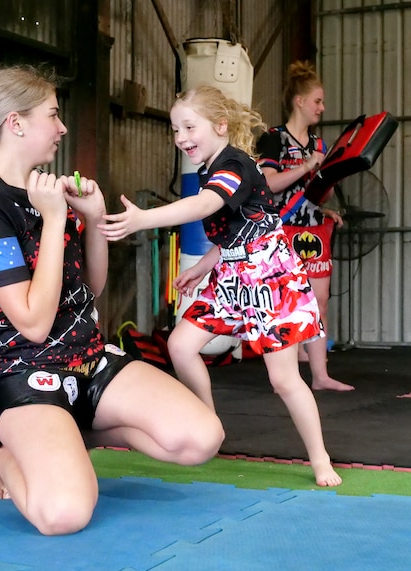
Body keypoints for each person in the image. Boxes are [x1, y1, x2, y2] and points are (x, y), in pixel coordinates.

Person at [0, 65, 224, 536]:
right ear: (16, 123)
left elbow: (86, 290)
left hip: (87, 360)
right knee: (63, 515)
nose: (62, 126)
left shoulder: (44, 189)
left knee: (202, 438)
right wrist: (54, 222)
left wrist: (91, 220)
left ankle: (65, 437)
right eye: (53, 115)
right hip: (25, 372)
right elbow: (31, 323)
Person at [98, 85, 342, 487]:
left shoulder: (234, 165)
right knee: (179, 345)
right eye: (176, 130)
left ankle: (320, 459)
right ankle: (208, 426)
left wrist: (144, 219)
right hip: (230, 275)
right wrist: (206, 265)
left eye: (189, 127)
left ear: (221, 125)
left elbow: (205, 206)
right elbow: (239, 228)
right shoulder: (211, 167)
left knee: (283, 380)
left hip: (268, 276)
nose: (181, 139)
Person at [255, 61, 353, 392]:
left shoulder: (319, 145)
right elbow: (269, 184)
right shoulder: (272, 139)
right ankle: (287, 373)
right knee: (286, 302)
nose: (322, 108)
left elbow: (312, 190)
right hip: (282, 230)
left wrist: (324, 207)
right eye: (317, 101)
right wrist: (306, 166)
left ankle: (321, 375)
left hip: (313, 227)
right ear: (299, 101)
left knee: (319, 300)